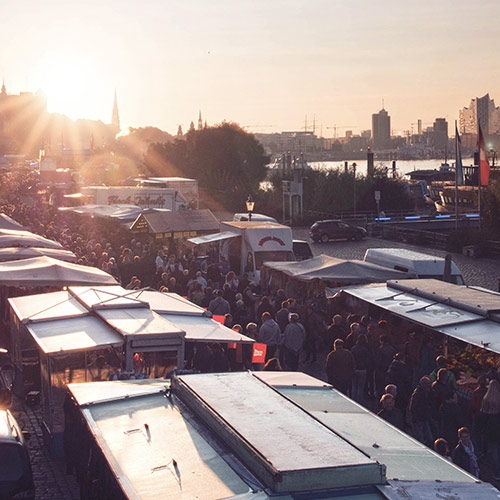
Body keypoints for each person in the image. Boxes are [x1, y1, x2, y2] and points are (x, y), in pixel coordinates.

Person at [480, 379, 500, 479]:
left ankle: (496, 472)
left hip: (490, 428)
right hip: (497, 427)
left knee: (492, 450)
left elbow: (482, 415)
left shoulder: (486, 399)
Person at [409, 376, 433, 447]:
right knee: (420, 440)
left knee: (429, 438)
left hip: (424, 418)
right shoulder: (417, 394)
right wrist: (416, 419)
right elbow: (412, 408)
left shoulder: (426, 393)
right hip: (418, 420)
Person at [351, 334, 371, 402]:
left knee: (354, 386)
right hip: (362, 369)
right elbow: (368, 360)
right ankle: (358, 401)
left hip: (354, 368)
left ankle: (353, 400)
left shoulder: (353, 348)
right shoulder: (365, 349)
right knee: (360, 387)